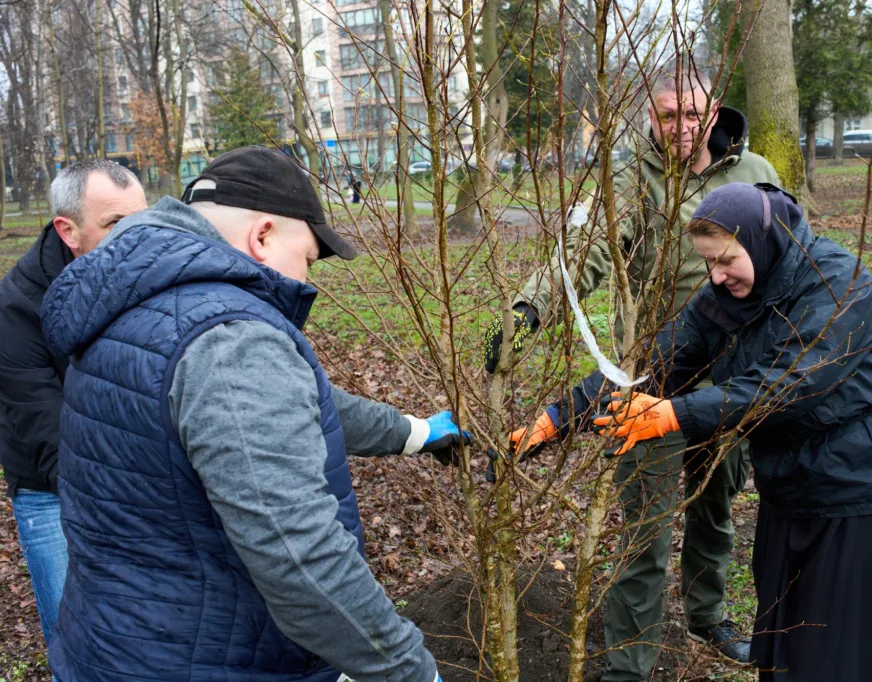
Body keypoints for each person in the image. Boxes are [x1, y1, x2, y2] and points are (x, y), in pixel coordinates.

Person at [40, 146, 464, 681]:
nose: (309, 281)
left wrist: (415, 432)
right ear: (262, 236)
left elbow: (298, 402)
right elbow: (300, 558)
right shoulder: (230, 340)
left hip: (112, 645)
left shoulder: (135, 298)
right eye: (307, 257)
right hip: (210, 661)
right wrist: (407, 672)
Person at [520, 182, 872, 681]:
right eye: (708, 262)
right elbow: (653, 363)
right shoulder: (727, 295)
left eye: (726, 260)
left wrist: (673, 414)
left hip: (868, 493)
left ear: (762, 242)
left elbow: (786, 383)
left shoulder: (836, 284)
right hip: (795, 488)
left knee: (847, 654)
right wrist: (558, 418)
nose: (717, 276)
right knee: (789, 647)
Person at [484, 63, 780, 676]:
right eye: (667, 115)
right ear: (650, 113)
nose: (680, 127)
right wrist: (529, 307)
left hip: (731, 372)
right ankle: (627, 665)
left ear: (715, 108)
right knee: (644, 528)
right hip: (650, 373)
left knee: (715, 503)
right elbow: (584, 250)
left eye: (692, 114)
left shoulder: (757, 174)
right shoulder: (626, 176)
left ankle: (707, 616)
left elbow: (787, 259)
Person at [0, 159, 148, 680]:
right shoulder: (16, 307)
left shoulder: (146, 274)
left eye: (141, 219)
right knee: (77, 637)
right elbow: (49, 433)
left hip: (134, 471)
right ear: (68, 231)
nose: (137, 237)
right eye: (114, 225)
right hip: (50, 486)